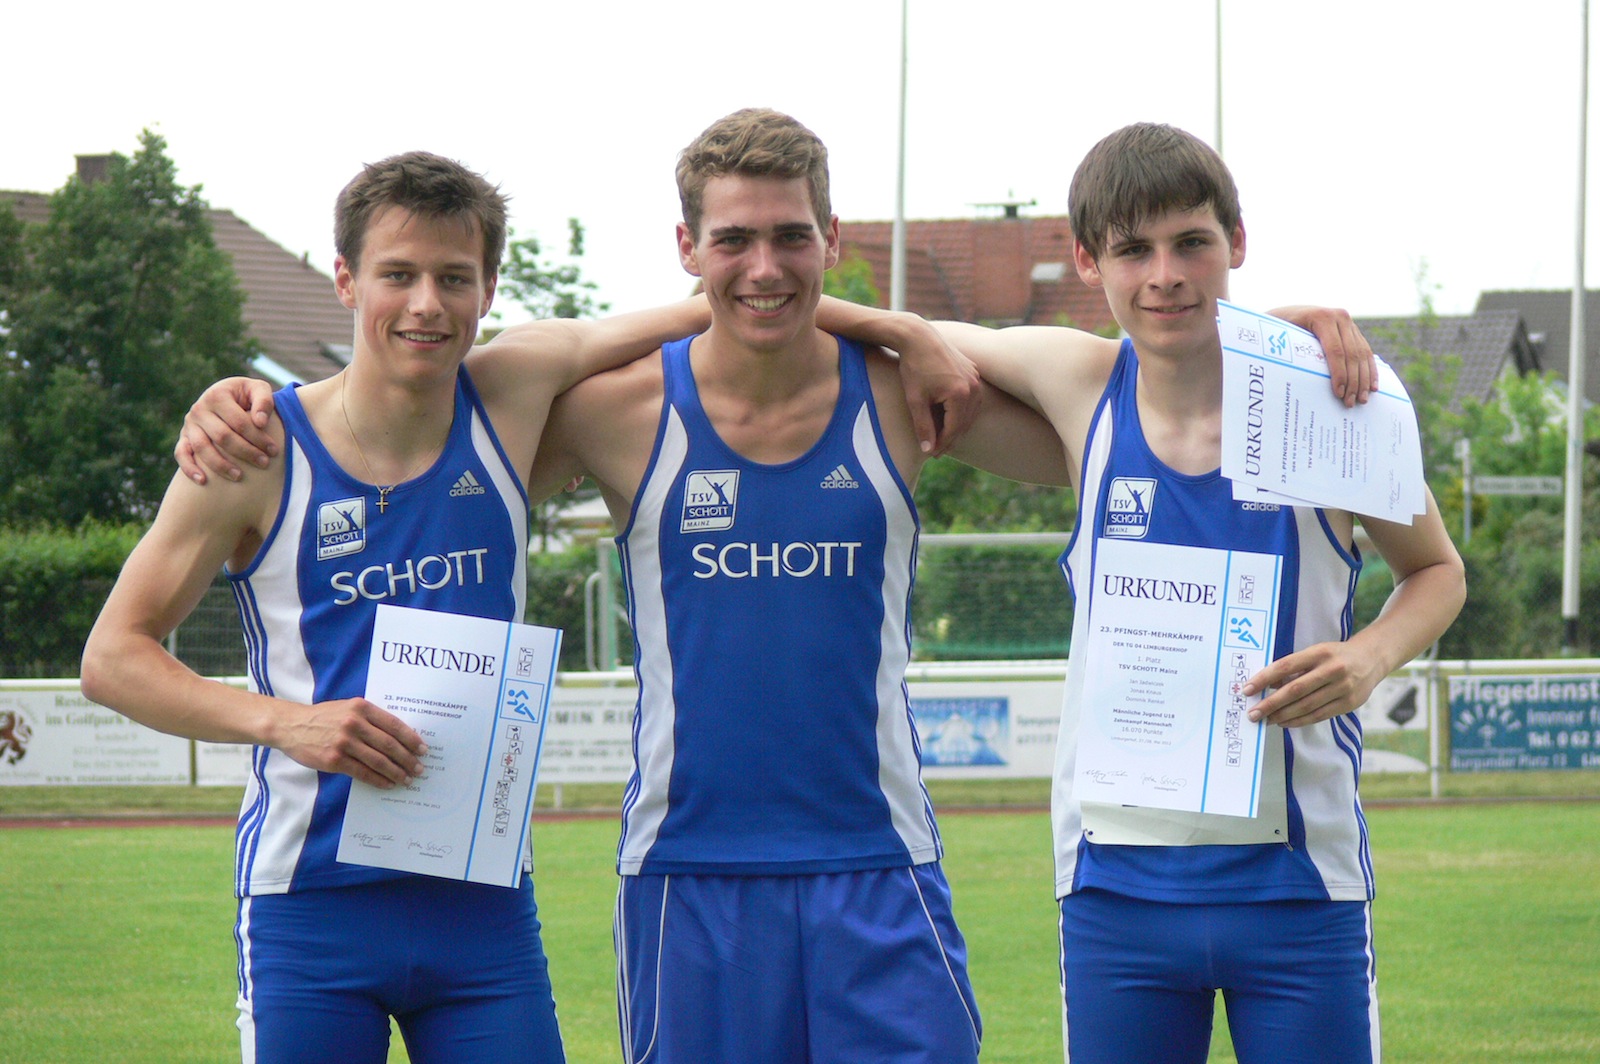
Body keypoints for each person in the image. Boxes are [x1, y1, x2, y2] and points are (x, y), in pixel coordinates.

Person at [78, 150, 747, 1064]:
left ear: (488, 289)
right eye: (398, 274)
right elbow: (112, 658)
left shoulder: (512, 395)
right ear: (346, 279)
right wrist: (288, 724)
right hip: (308, 905)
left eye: (453, 278)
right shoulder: (256, 449)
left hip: (482, 908)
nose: (427, 304)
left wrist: (902, 330)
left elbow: (733, 298)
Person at [825, 123, 1466, 1063]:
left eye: (1191, 243)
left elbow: (1438, 571)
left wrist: (1368, 658)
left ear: (1236, 241)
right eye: (1133, 250)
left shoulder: (1330, 403)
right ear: (1089, 261)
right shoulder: (1081, 385)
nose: (1165, 275)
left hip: (1300, 889)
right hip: (1115, 895)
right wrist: (886, 328)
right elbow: (892, 334)